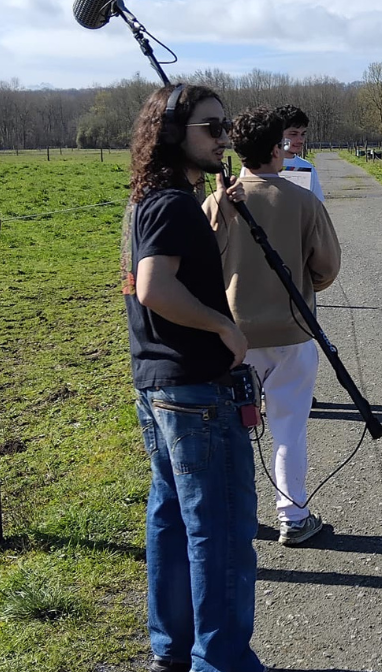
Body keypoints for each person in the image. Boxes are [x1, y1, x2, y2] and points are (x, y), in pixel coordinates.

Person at [122, 83, 264, 672]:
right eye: (212, 127)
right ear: (174, 132)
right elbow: (154, 287)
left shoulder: (148, 201)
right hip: (196, 392)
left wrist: (218, 215)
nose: (224, 137)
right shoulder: (173, 205)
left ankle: (173, 651)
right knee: (221, 530)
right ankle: (221, 662)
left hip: (159, 386)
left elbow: (165, 275)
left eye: (226, 126)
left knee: (173, 520)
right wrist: (223, 327)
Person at [203, 106, 341, 546]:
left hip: (232, 337)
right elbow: (327, 267)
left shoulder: (216, 203)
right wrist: (302, 284)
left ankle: (236, 517)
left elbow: (202, 268)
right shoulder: (302, 201)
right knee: (288, 430)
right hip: (291, 334)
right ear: (277, 148)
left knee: (234, 433)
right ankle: (293, 516)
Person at [276, 103, 324, 202]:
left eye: (303, 134)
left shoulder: (307, 167)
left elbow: (317, 205)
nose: (300, 140)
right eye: (293, 134)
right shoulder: (260, 167)